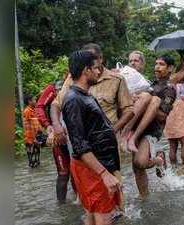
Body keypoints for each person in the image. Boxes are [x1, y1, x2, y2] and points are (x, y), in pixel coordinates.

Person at [51, 43, 134, 211]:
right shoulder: (73, 85)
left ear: (99, 60)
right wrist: (57, 125)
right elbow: (56, 105)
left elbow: (129, 110)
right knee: (95, 204)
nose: (93, 69)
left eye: (92, 62)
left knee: (114, 197)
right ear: (84, 70)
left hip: (106, 147)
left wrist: (113, 129)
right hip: (86, 150)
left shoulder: (116, 79)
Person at [62, 50, 121, 225]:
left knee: (93, 214)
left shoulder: (85, 95)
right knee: (102, 215)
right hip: (92, 167)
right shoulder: (74, 100)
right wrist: (104, 174)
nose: (99, 72)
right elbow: (79, 144)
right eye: (96, 68)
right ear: (86, 70)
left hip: (98, 164)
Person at [127, 55, 181, 198]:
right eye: (156, 64)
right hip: (138, 126)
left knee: (141, 162)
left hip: (152, 130)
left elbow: (163, 115)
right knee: (136, 167)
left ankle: (159, 159)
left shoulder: (169, 89)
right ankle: (143, 196)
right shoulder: (150, 84)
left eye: (161, 64)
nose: (157, 67)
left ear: (170, 68)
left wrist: (148, 103)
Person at [35, 79, 75, 203]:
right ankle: (61, 206)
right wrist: (48, 126)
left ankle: (81, 201)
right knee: (63, 174)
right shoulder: (53, 88)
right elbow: (39, 107)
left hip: (76, 136)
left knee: (78, 171)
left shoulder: (85, 83)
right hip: (58, 136)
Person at [23, 94, 42, 168]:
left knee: (37, 161)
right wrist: (34, 139)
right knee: (33, 163)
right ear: (29, 101)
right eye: (34, 100)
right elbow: (28, 127)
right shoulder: (27, 111)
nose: (35, 101)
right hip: (31, 140)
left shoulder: (33, 110)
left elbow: (35, 125)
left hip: (35, 138)